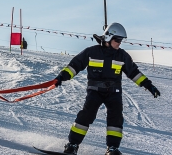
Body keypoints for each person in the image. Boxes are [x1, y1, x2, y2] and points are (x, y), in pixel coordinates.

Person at [54, 23, 161, 155]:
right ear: (108, 38)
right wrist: (61, 77)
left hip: (114, 93)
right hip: (95, 91)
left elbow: (134, 73)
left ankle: (112, 148)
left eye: (121, 41)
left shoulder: (122, 56)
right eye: (117, 40)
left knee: (116, 118)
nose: (119, 43)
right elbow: (75, 65)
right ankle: (73, 145)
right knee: (87, 115)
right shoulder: (91, 52)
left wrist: (148, 85)